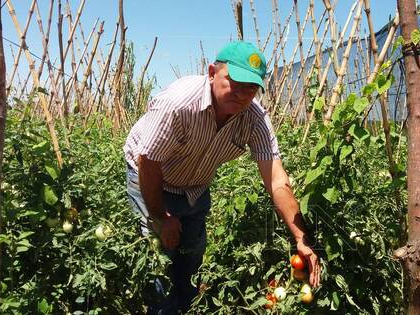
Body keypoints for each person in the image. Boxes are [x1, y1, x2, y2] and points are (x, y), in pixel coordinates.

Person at [124, 41, 320, 314]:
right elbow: (148, 162)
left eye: (250, 88)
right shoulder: (178, 103)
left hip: (194, 185)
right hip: (149, 177)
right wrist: (160, 217)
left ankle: (187, 304)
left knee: (192, 253)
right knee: (158, 260)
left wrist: (301, 237)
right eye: (233, 82)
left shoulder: (254, 119)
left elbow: (276, 180)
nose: (240, 94)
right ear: (212, 72)